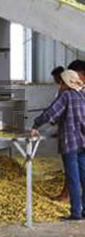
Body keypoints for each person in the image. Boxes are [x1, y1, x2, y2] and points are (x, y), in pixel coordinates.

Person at [31, 69, 85, 221]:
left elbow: (51, 113)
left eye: (60, 82)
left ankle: (76, 213)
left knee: (73, 179)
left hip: (70, 143)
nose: (59, 85)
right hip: (83, 142)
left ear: (64, 83)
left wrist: (36, 124)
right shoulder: (82, 95)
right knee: (84, 177)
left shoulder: (66, 96)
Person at [50, 66, 69, 203]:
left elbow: (54, 113)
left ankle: (65, 195)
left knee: (71, 166)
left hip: (71, 138)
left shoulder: (66, 93)